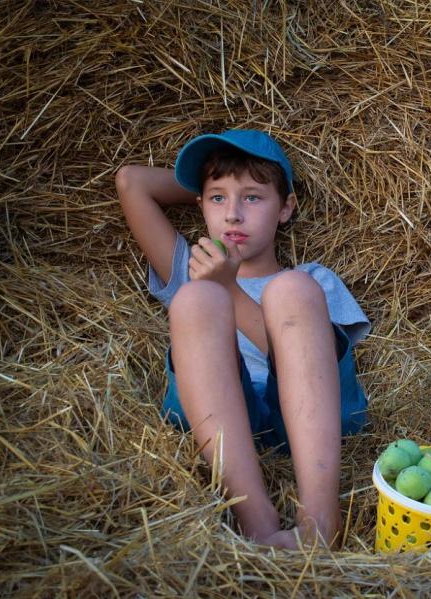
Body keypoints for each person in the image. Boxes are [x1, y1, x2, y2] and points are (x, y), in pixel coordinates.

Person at [116, 130, 369, 549]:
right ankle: (257, 523)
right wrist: (214, 189)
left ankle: (321, 522)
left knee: (289, 290)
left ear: (285, 207)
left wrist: (231, 288)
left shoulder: (313, 279)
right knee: (196, 297)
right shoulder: (191, 269)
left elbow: (308, 362)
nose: (233, 214)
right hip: (220, 424)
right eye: (218, 199)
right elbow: (131, 182)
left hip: (310, 419)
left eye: (253, 198)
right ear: (200, 204)